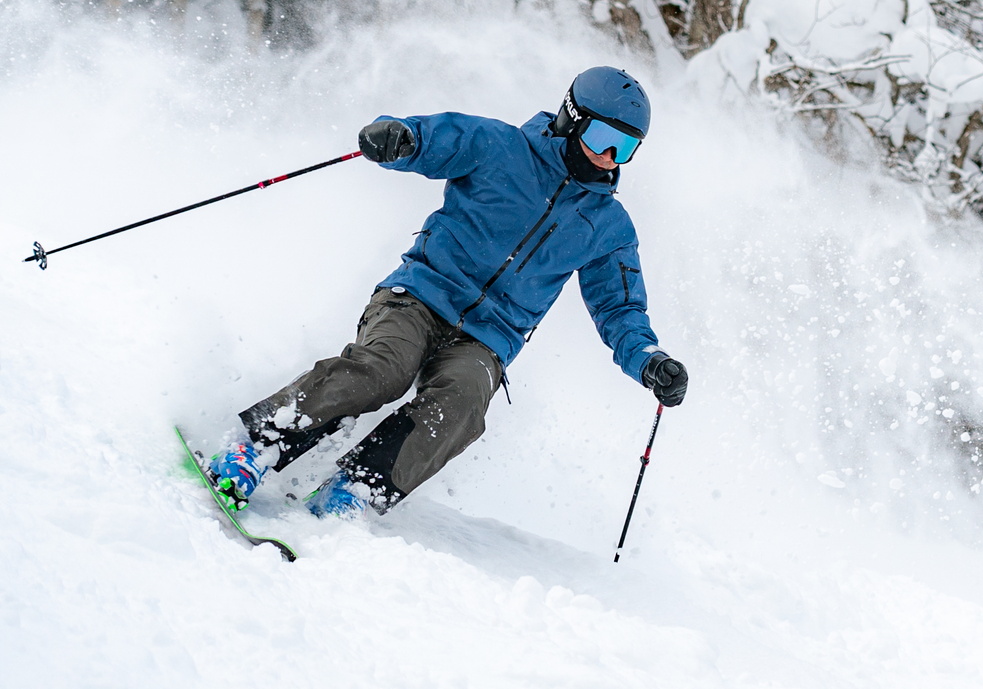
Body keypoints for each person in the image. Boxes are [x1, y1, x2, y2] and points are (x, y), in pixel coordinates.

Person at [207, 66, 689, 518]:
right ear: (571, 118)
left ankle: (356, 489)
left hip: (488, 339)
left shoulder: (608, 226)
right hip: (418, 297)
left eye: (626, 149)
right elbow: (430, 137)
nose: (609, 157)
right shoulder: (499, 147)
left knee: (463, 402)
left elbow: (619, 308)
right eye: (604, 138)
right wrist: (398, 136)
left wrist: (648, 358)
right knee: (382, 372)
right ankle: (256, 446)